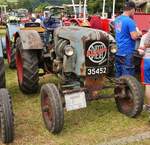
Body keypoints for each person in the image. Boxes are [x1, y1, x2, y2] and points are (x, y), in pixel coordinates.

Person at [114, 1, 142, 77]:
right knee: (128, 75)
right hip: (127, 51)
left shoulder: (117, 19)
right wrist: (139, 33)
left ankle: (118, 88)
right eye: (135, 10)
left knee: (118, 72)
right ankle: (126, 89)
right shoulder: (130, 21)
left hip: (118, 50)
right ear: (132, 9)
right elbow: (134, 36)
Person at [138, 30, 150, 111]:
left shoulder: (145, 36)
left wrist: (141, 50)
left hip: (147, 60)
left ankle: (148, 106)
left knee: (148, 84)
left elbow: (141, 52)